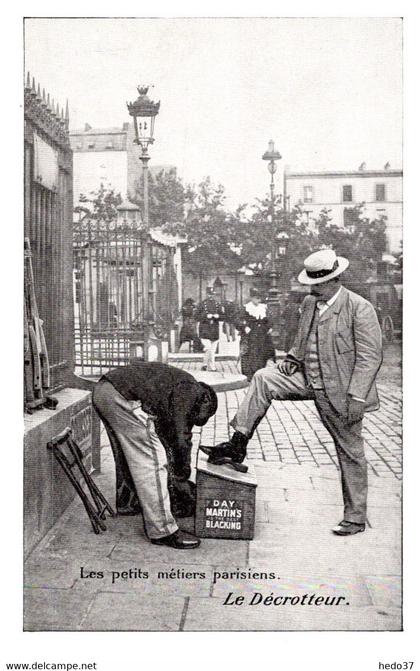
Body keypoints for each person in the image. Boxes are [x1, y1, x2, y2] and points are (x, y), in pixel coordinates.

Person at [202, 249, 383, 536]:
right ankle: (238, 443)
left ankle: (355, 517)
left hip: (341, 390)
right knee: (263, 378)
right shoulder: (312, 303)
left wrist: (357, 396)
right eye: (311, 283)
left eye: (318, 284)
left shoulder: (360, 308)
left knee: (350, 452)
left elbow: (370, 357)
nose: (312, 288)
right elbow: (304, 336)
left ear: (335, 281)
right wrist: (293, 358)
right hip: (307, 377)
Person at [93, 360, 217, 549]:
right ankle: (163, 530)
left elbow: (170, 434)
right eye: (203, 417)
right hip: (122, 396)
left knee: (128, 454)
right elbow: (180, 435)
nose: (199, 422)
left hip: (105, 390)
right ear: (206, 400)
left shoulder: (175, 387)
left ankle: (128, 502)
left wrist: (176, 473)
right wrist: (181, 478)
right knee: (152, 461)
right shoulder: (192, 390)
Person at [236, 288, 275, 381]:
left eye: (259, 298)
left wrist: (269, 327)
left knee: (261, 353)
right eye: (256, 298)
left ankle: (259, 372)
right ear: (252, 298)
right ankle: (249, 374)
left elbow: (270, 319)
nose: (258, 300)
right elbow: (237, 320)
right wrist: (244, 327)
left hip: (262, 335)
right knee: (249, 354)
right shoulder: (245, 308)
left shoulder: (263, 308)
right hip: (250, 335)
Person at [195, 286, 224, 371]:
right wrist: (205, 316)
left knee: (212, 349)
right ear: (207, 294)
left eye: (212, 294)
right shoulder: (202, 304)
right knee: (208, 348)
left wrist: (218, 316)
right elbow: (196, 316)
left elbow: (223, 316)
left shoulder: (217, 304)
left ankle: (208, 365)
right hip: (205, 329)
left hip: (214, 329)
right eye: (209, 294)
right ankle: (208, 365)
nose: (211, 296)